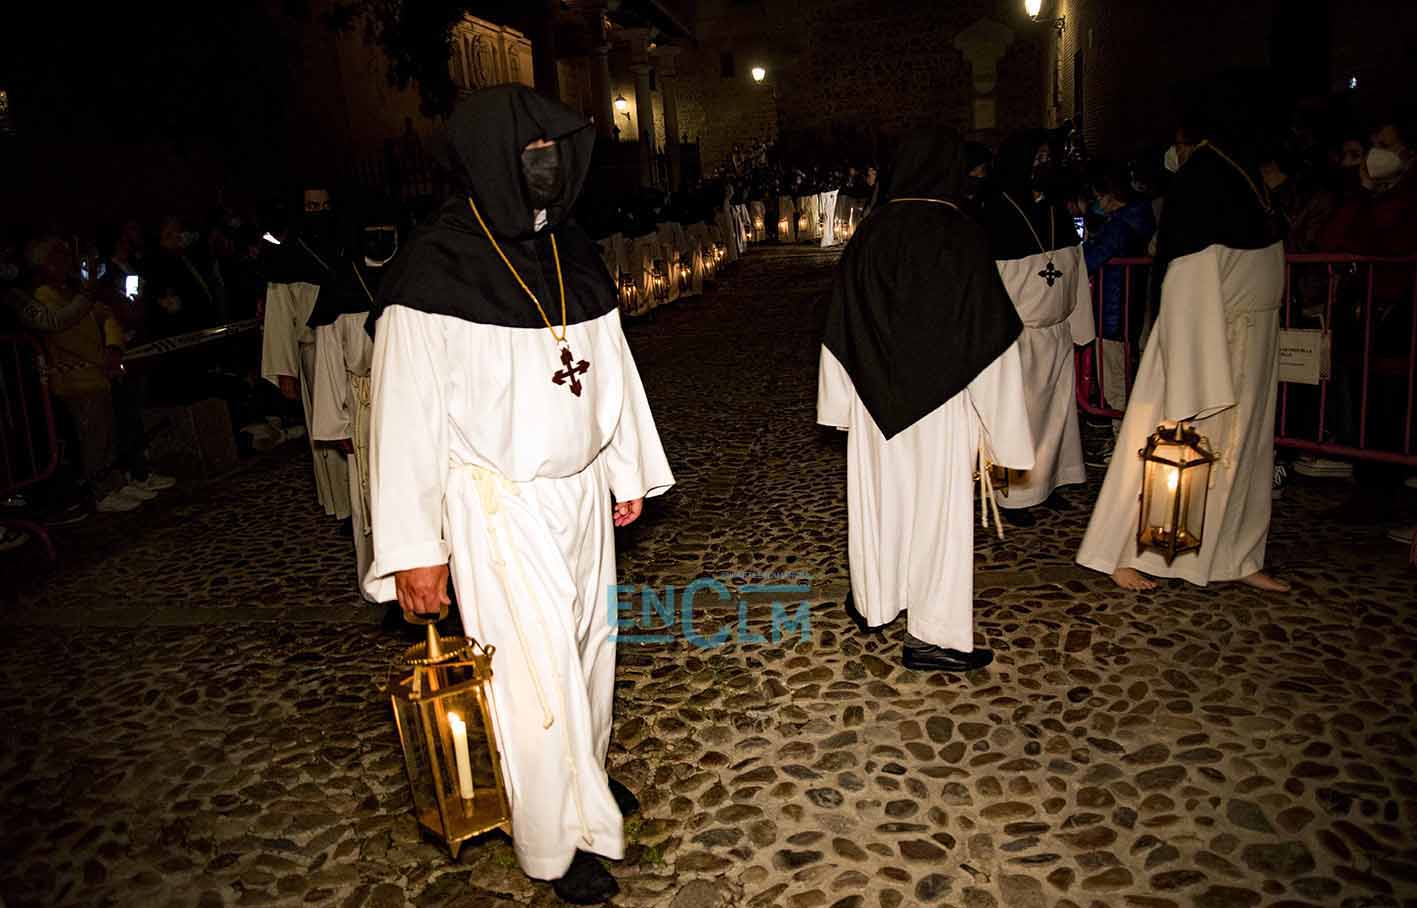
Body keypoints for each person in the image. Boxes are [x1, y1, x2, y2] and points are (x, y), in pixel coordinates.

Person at [365, 85, 674, 904]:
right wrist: (416, 551)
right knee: (532, 673)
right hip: (496, 502)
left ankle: (581, 779)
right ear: (487, 160)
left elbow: (608, 363)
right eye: (530, 153)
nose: (548, 166)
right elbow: (403, 420)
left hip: (581, 494)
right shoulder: (432, 269)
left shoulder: (569, 249)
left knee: (589, 649)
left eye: (554, 152)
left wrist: (623, 467)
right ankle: (551, 839)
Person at [818, 127, 1034, 673]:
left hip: (873, 403)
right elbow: (989, 334)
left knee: (878, 505)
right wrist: (1006, 430)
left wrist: (840, 404)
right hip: (942, 405)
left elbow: (840, 325)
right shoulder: (960, 234)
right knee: (938, 518)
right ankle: (933, 635)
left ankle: (874, 600)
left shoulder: (870, 232)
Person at [1076, 91, 1289, 593]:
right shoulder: (1205, 174)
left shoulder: (1242, 170)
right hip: (1205, 335)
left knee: (1244, 452)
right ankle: (1121, 550)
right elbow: (1188, 270)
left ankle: (1235, 554)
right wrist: (1196, 359)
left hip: (1250, 337)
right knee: (1166, 445)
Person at [978, 131, 1095, 526]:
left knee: (1058, 415)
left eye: (1047, 157)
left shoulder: (1055, 210)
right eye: (1037, 157)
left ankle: (1048, 484)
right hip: (1018, 336)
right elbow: (990, 282)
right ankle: (1014, 496)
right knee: (1019, 418)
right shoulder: (996, 212)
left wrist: (1081, 327)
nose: (1043, 165)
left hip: (1057, 331)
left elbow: (1075, 268)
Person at [310, 204, 400, 601]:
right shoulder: (340, 286)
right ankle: (378, 580)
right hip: (363, 405)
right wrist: (338, 423)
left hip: (407, 401)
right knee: (372, 499)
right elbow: (329, 359)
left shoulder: (410, 275)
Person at [260, 190, 353, 528]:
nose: (320, 213)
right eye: (312, 207)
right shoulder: (289, 258)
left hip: (352, 352)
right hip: (314, 353)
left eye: (326, 205)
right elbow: (280, 313)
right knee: (329, 429)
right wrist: (285, 371)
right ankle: (344, 507)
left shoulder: (347, 246)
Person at [1083, 164, 1157, 428]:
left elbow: (1091, 259)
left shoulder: (1119, 227)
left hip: (1113, 312)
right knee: (1122, 378)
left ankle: (1122, 438)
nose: (1097, 203)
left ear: (1111, 195)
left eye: (1099, 197)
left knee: (1115, 382)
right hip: (1127, 310)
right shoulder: (1139, 219)